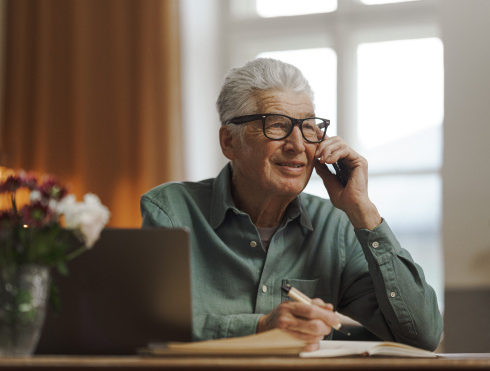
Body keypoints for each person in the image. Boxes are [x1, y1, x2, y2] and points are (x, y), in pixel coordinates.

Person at [140, 58, 443, 351]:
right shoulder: (170, 211)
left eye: (309, 127)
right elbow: (147, 328)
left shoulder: (336, 227)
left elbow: (422, 335)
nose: (298, 145)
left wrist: (364, 212)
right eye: (276, 125)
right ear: (229, 142)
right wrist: (259, 329)